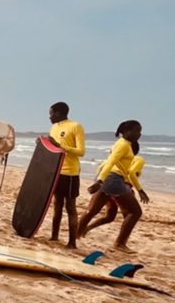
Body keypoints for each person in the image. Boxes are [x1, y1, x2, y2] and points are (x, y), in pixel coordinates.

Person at [77, 121, 149, 253]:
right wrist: (100, 181)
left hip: (108, 177)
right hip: (113, 180)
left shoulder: (122, 144)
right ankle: (120, 243)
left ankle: (75, 236)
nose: (139, 134)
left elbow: (108, 163)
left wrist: (100, 178)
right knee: (135, 212)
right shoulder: (123, 145)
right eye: (136, 131)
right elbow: (110, 162)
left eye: (140, 131)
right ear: (126, 131)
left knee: (91, 211)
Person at [82, 143, 149, 236]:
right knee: (130, 214)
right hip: (122, 188)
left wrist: (100, 182)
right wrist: (140, 190)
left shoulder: (118, 159)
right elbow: (132, 173)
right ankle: (121, 241)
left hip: (107, 185)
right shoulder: (138, 159)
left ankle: (85, 229)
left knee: (109, 216)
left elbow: (100, 168)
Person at [42, 102, 85, 249]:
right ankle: (54, 236)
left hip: (70, 172)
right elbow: (52, 148)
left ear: (58, 113)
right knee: (57, 205)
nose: (49, 117)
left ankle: (72, 242)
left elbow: (81, 151)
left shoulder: (75, 126)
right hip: (56, 171)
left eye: (51, 113)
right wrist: (43, 143)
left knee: (70, 207)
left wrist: (60, 145)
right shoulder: (54, 128)